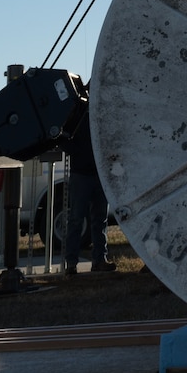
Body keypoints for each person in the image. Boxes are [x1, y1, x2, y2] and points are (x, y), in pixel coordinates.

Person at [63, 113, 115, 276]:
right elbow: (63, 139)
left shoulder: (94, 115)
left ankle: (94, 261)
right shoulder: (79, 116)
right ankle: (75, 262)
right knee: (82, 219)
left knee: (93, 219)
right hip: (85, 174)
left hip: (92, 173)